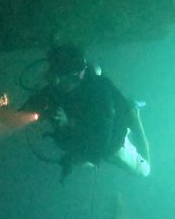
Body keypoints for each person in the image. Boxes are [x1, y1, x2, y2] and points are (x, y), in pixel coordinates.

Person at [19, 44, 150, 182]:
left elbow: (99, 146)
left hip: (113, 142)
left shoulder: (100, 96)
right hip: (87, 138)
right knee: (76, 158)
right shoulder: (59, 87)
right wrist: (11, 110)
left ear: (74, 77)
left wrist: (69, 125)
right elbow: (32, 104)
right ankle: (130, 112)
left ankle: (135, 114)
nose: (53, 82)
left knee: (145, 171)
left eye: (58, 79)